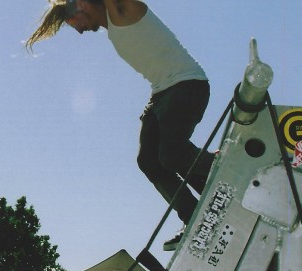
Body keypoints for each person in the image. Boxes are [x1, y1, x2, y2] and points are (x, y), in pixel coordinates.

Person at [26, 0, 215, 250]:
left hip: (186, 85)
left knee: (172, 154)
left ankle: (220, 167)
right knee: (148, 161)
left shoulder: (125, 10)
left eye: (76, 23)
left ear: (82, 4)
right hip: (161, 93)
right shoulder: (112, 29)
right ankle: (196, 217)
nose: (80, 31)